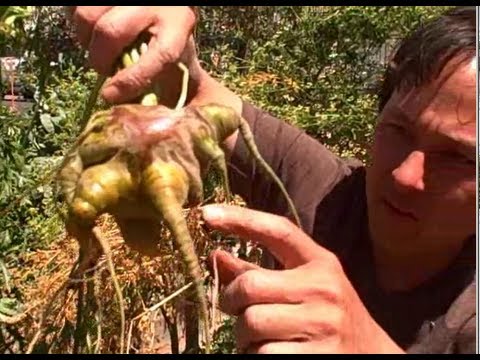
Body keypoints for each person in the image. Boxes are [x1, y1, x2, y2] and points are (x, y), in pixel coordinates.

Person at [67, 6, 476, 354]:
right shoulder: (330, 192)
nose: (406, 176)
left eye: (457, 156)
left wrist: (365, 343)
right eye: (399, 131)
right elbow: (195, 96)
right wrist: (160, 43)